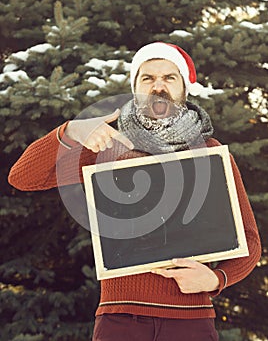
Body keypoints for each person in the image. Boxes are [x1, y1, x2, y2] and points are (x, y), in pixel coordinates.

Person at [8, 42, 261, 341]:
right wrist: (70, 131)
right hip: (120, 318)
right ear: (135, 88)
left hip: (191, 321)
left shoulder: (210, 153)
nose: (159, 86)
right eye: (148, 78)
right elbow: (23, 177)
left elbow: (249, 241)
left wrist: (217, 278)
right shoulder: (108, 146)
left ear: (183, 88)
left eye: (169, 77)